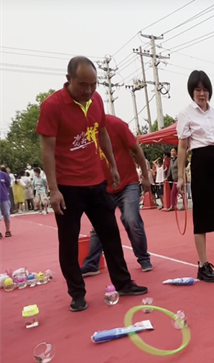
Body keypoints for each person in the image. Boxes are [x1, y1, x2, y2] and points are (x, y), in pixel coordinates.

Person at [36, 56, 148, 312]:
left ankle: (123, 283)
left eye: (93, 85)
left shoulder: (96, 100)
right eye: (83, 85)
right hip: (67, 187)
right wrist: (54, 190)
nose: (88, 91)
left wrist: (113, 165)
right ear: (69, 80)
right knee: (68, 241)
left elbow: (102, 132)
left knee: (110, 234)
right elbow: (47, 150)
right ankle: (77, 294)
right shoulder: (52, 106)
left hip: (96, 182)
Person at [176, 70, 214, 282]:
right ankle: (202, 265)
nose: (202, 94)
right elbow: (182, 146)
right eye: (197, 90)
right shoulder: (186, 114)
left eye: (205, 89)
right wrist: (181, 176)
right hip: (200, 162)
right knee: (201, 215)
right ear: (191, 92)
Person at [81, 114, 154, 276]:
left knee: (131, 219)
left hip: (127, 183)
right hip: (103, 186)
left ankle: (143, 257)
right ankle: (92, 264)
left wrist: (145, 176)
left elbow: (137, 150)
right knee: (99, 225)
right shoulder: (83, 131)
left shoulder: (116, 124)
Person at [0, 167, 11, 238]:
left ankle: (8, 230)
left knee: (6, 214)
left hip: (4, 198)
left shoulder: (3, 174)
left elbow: (8, 184)